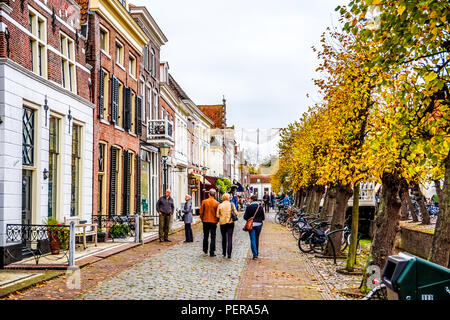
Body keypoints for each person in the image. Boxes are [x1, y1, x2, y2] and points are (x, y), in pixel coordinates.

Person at [216, 193, 238, 259]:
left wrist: (221, 216)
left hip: (222, 223)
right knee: (230, 238)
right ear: (228, 198)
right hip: (230, 222)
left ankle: (224, 253)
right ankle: (229, 254)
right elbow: (236, 213)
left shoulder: (220, 205)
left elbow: (217, 215)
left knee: (223, 238)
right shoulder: (231, 204)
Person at [244, 195, 265, 260]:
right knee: (257, 238)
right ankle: (257, 252)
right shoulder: (260, 207)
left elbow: (245, 217)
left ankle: (255, 254)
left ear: (252, 200)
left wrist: (249, 219)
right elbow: (263, 217)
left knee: (252, 239)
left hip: (252, 225)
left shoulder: (249, 207)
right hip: (259, 224)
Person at [200, 189, 219, 257]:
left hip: (205, 221)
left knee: (205, 236)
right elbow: (217, 214)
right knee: (213, 237)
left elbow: (201, 212)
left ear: (209, 194)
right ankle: (212, 251)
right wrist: (216, 220)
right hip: (213, 222)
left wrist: (202, 219)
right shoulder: (216, 203)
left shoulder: (204, 201)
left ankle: (205, 250)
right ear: (215, 195)